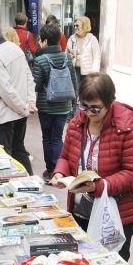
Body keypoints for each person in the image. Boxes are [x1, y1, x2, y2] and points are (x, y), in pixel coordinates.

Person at [50, 73, 133, 261]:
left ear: (110, 102)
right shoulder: (78, 122)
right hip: (81, 210)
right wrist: (60, 172)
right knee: (82, 262)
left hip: (115, 214)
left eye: (95, 108)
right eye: (83, 105)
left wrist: (99, 186)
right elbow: (66, 156)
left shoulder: (126, 127)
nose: (87, 112)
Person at [0, 16, 37, 174]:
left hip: (6, 115)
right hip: (19, 111)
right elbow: (28, 77)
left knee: (5, 156)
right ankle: (29, 182)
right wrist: (28, 103)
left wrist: (24, 106)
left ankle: (15, 186)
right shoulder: (14, 48)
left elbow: (5, 89)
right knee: (19, 150)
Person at [32, 24, 77, 181]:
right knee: (58, 137)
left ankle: (50, 171)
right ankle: (59, 171)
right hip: (64, 105)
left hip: (46, 105)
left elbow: (36, 85)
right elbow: (73, 81)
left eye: (40, 40)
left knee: (47, 137)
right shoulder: (66, 57)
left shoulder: (40, 60)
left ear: (44, 41)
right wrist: (73, 103)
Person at [67, 16, 101, 90]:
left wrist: (94, 73)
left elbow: (97, 57)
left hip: (88, 72)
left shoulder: (92, 39)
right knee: (75, 91)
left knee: (86, 92)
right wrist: (69, 55)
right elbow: (67, 52)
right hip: (75, 69)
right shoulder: (72, 38)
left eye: (78, 26)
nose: (75, 27)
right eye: (75, 25)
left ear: (85, 27)